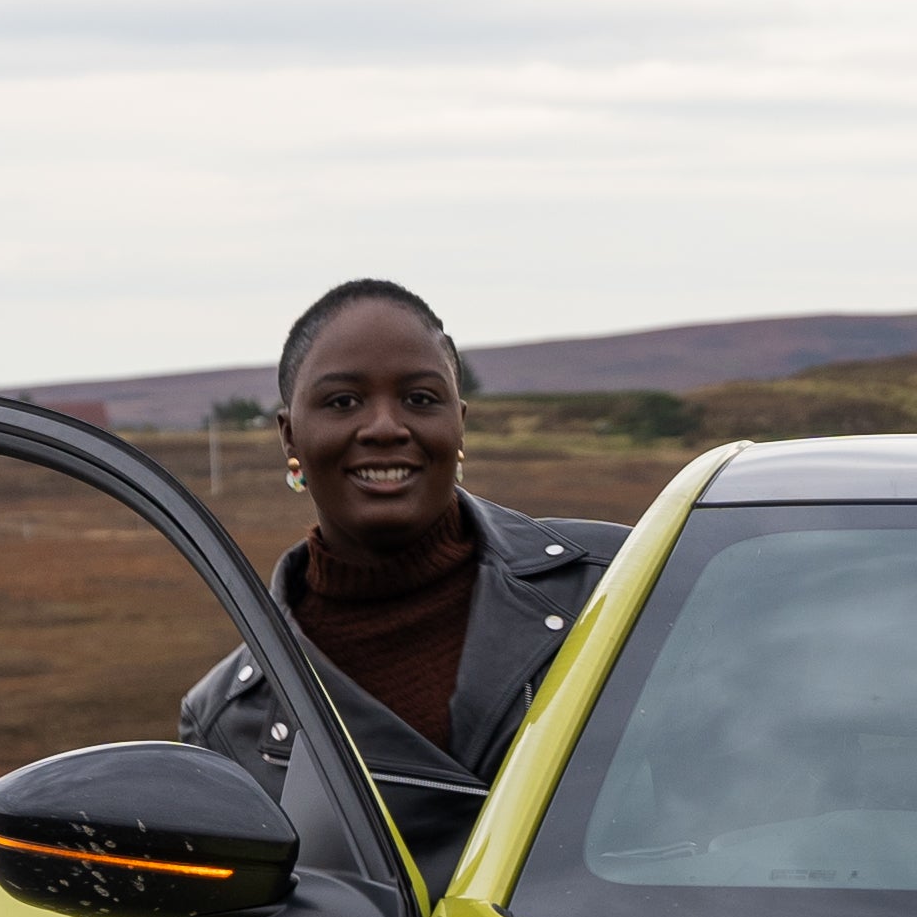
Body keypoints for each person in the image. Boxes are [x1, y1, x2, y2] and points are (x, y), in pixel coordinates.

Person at [180, 278, 622, 876]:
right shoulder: (227, 720)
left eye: (419, 399)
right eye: (342, 402)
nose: (385, 426)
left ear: (459, 424)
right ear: (290, 435)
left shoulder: (617, 587)